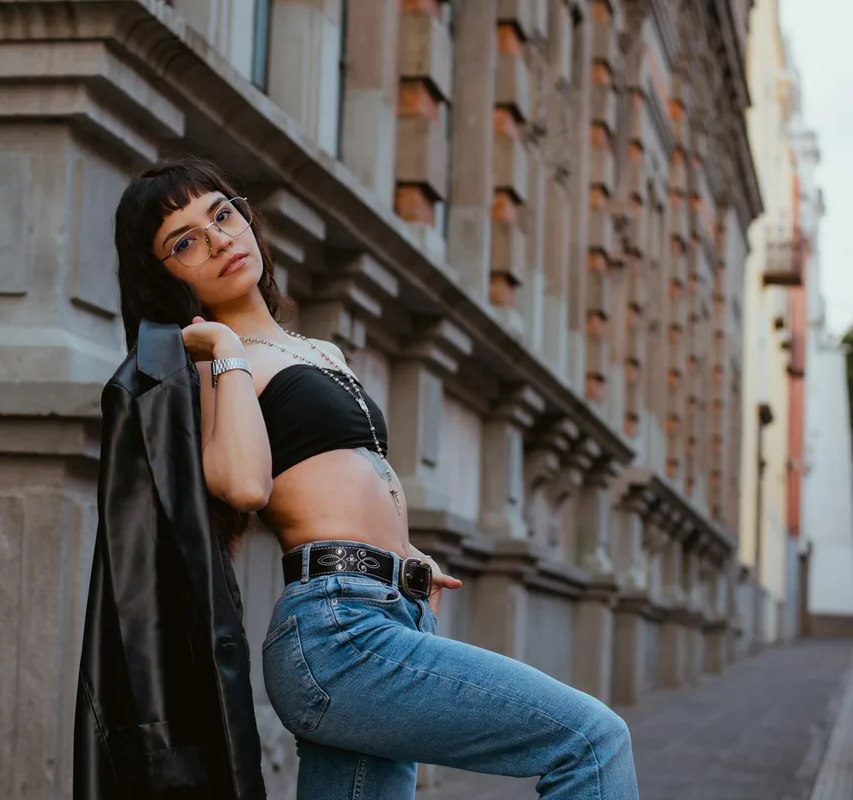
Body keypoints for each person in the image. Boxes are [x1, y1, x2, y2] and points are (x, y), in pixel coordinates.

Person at [111, 154, 640, 800]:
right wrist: (223, 349)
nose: (218, 239)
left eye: (222, 214)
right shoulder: (215, 366)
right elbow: (243, 485)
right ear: (166, 279)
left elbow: (347, 470)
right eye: (185, 242)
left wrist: (402, 555)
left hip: (392, 611)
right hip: (336, 631)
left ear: (247, 219)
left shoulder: (317, 350)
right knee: (591, 740)